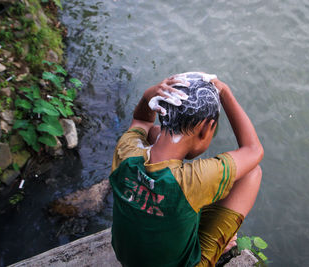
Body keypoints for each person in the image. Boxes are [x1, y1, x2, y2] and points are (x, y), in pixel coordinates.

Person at [110, 72, 264, 267]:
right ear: (207, 129)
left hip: (128, 259)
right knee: (251, 173)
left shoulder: (126, 151)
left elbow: (142, 122)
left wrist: (148, 94)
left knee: (154, 133)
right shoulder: (193, 179)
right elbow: (253, 150)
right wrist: (224, 91)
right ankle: (217, 244)